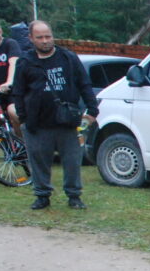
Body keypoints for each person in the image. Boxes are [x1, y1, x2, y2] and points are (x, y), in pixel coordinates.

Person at [12, 20, 97, 210]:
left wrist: (92, 110)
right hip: (37, 123)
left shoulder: (68, 58)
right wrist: (23, 117)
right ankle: (42, 196)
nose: (45, 41)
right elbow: (18, 92)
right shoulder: (25, 62)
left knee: (72, 161)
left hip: (67, 121)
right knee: (39, 161)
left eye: (48, 36)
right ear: (31, 38)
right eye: (40, 37)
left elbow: (84, 84)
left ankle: (74, 196)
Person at [0, 21, 22, 133]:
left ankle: (23, 140)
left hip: (11, 90)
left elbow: (14, 63)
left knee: (14, 112)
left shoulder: (10, 44)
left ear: (0, 31)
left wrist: (9, 82)